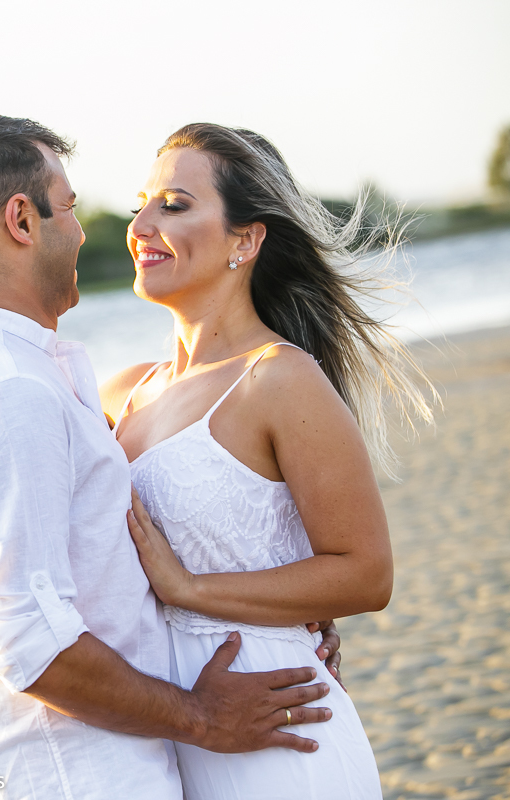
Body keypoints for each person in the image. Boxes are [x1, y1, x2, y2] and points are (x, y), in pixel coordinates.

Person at [0, 113, 339, 800]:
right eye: (71, 208)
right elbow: (30, 641)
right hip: (71, 774)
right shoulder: (9, 390)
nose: (89, 230)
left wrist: (274, 607)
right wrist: (202, 716)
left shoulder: (27, 377)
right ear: (22, 220)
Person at [100, 123, 432, 798]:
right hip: (176, 740)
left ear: (245, 241)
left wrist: (192, 590)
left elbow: (366, 574)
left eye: (174, 204)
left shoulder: (278, 379)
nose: (139, 224)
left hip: (283, 736)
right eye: (141, 203)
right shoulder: (120, 394)